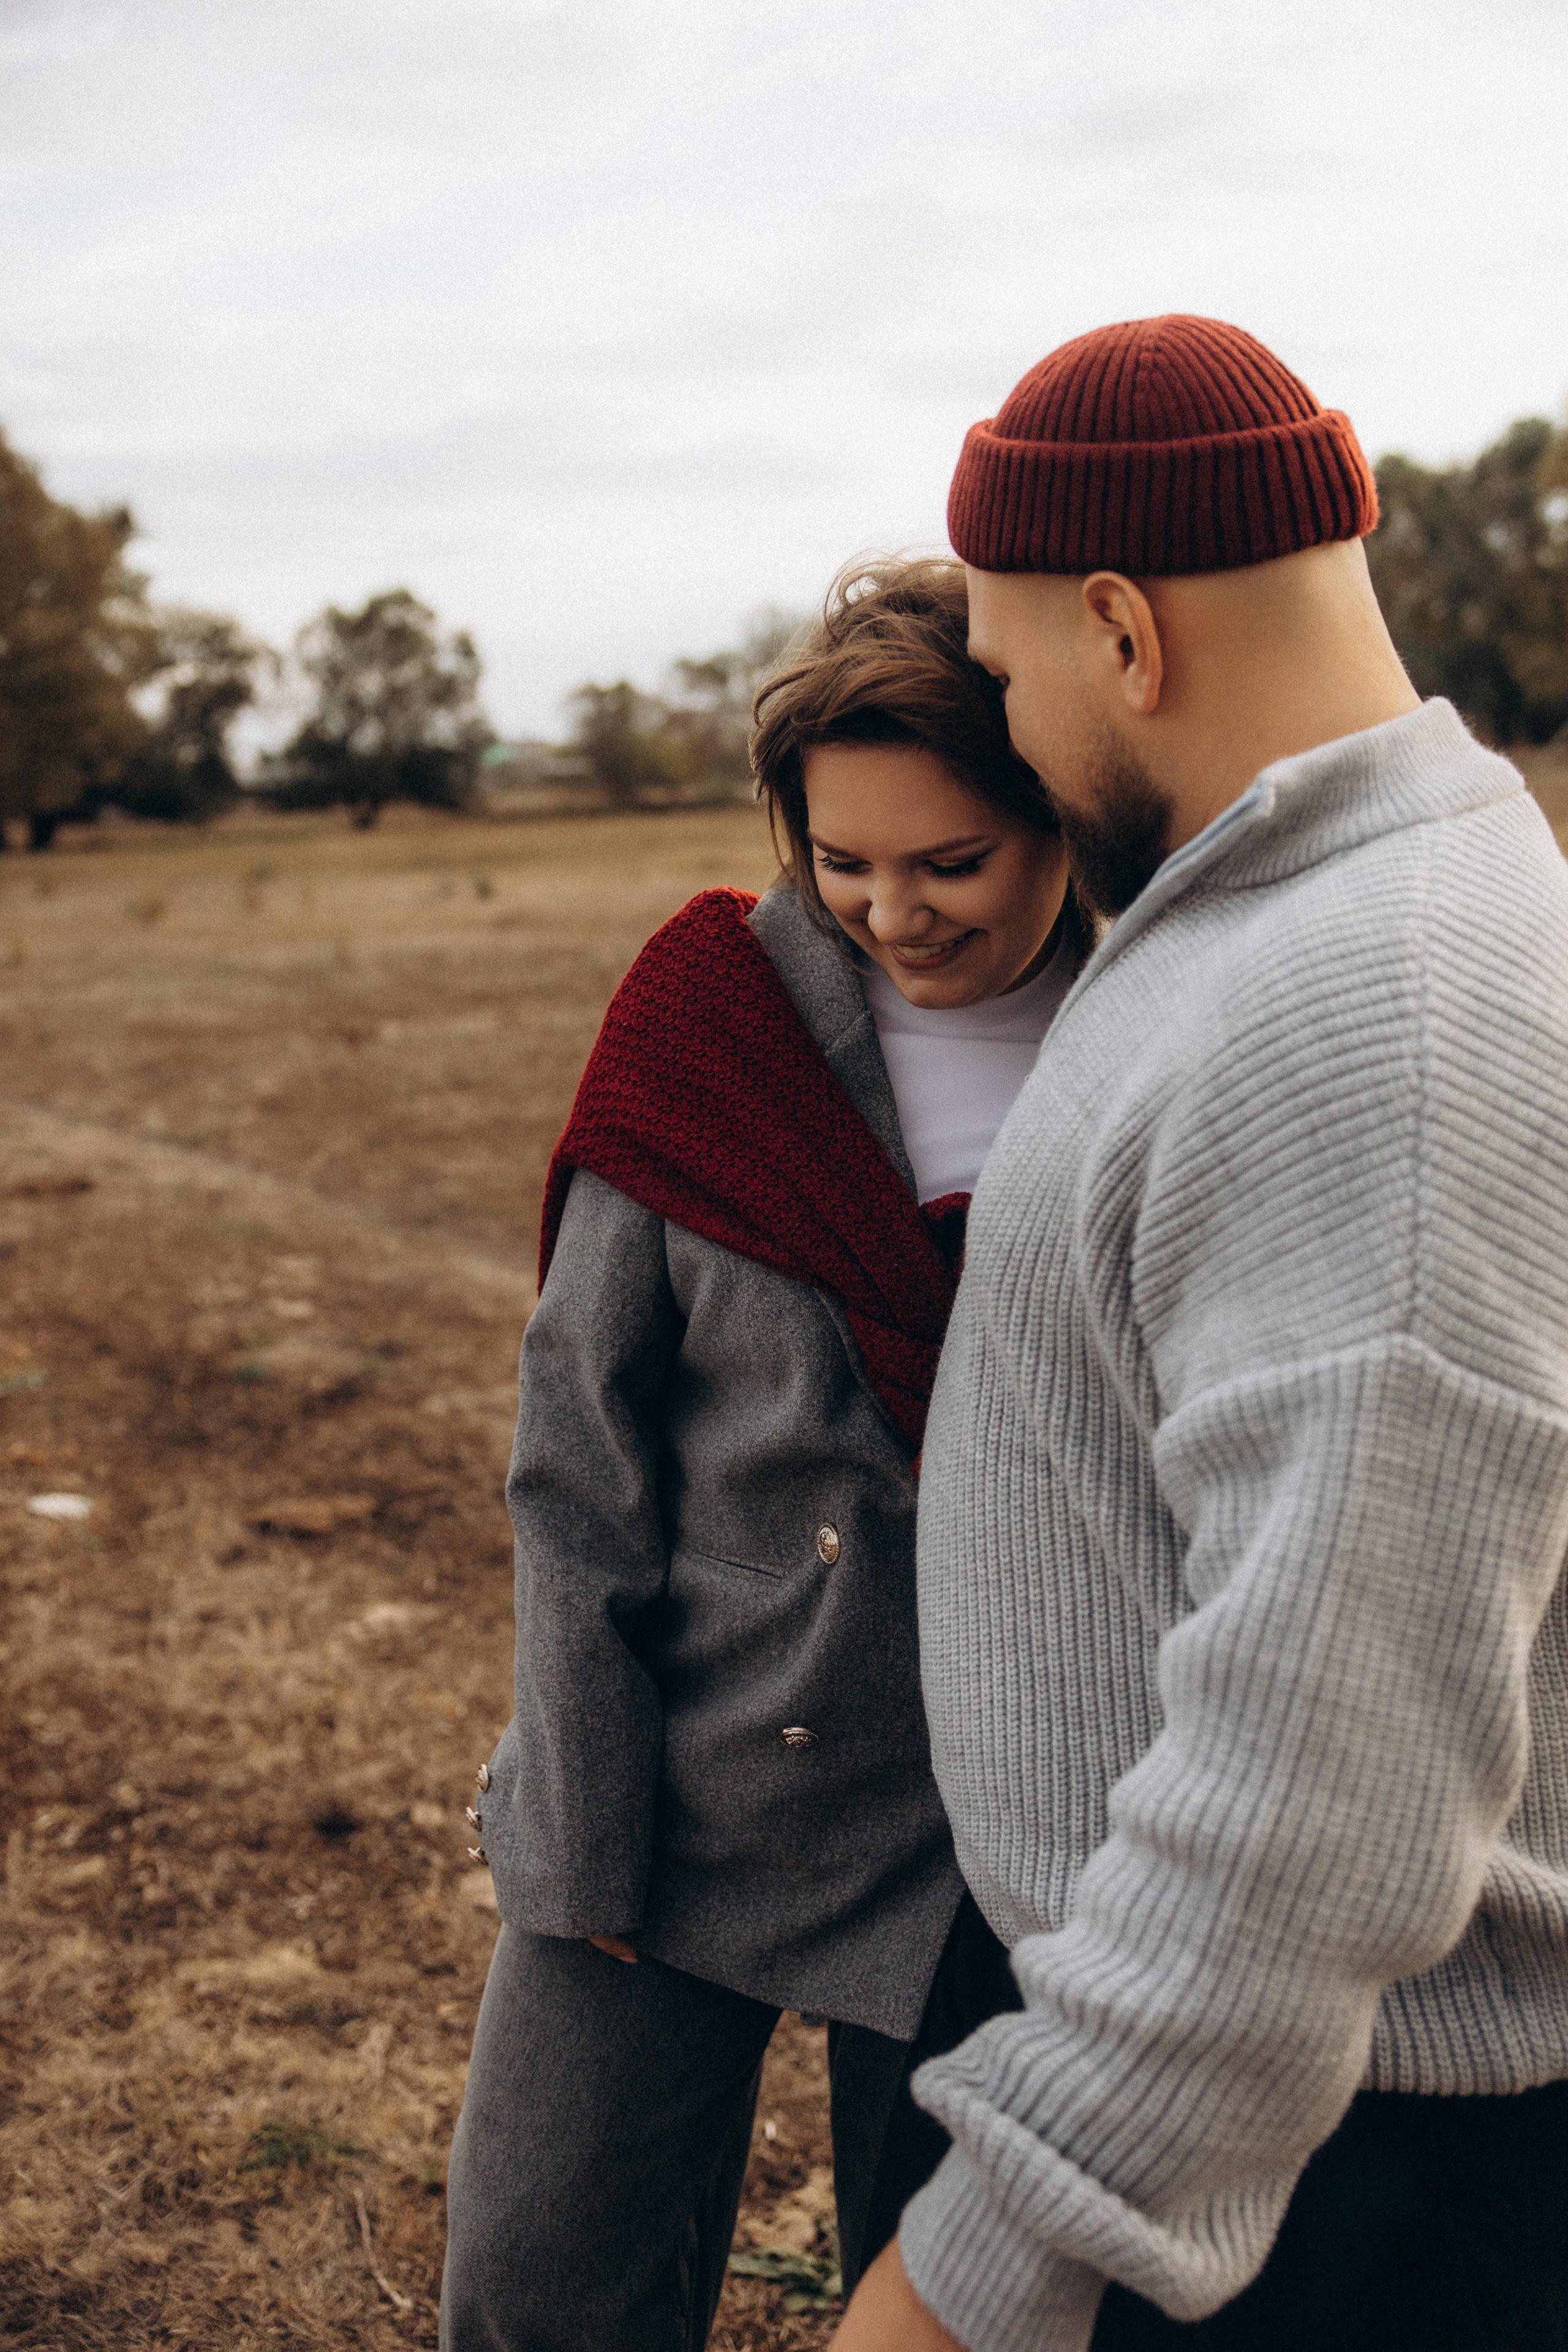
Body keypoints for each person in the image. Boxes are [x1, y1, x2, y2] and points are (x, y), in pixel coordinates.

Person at [833, 314, 1568, 2352]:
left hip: (1317, 2188)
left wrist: (982, 2268)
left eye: (1005, 675)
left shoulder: (1377, 1007)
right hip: (1227, 2117)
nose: (1005, 717)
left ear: (1124, 634)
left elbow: (1327, 1783)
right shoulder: (1278, 920)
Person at [440, 557, 1095, 2352]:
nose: (896, 912)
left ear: (1058, 812)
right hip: (680, 1774)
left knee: (965, 2316)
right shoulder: (708, 1018)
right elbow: (576, 1453)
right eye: (843, 860)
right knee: (541, 2296)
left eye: (953, 859)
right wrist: (582, 1839)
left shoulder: (1147, 1034)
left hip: (998, 1823)